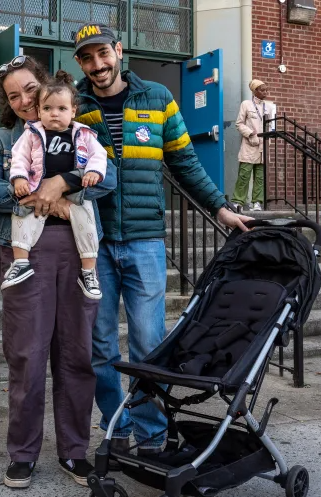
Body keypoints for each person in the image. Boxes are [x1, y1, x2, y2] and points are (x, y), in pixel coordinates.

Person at [71, 23, 254, 463]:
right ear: (80, 62)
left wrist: (220, 207)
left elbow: (186, 161)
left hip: (145, 242)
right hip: (92, 245)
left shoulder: (158, 98)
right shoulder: (74, 105)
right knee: (99, 346)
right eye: (87, 58)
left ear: (119, 50)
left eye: (103, 54)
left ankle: (152, 432)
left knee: (149, 344)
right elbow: (30, 142)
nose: (97, 65)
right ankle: (116, 425)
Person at [0, 55, 117, 489]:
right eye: (13, 96)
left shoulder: (79, 127)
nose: (23, 100)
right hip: (24, 253)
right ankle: (23, 454)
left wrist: (64, 181)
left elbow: (108, 177)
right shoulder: (0, 139)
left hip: (77, 250)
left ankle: (74, 452)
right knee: (27, 355)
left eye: (29, 89)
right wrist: (39, 194)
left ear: (46, 85)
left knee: (77, 354)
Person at [4, 70, 107, 300]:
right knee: (21, 216)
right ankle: (20, 262)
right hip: (34, 188)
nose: (54, 114)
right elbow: (19, 157)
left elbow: (99, 156)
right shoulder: (32, 134)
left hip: (75, 194)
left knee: (87, 223)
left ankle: (89, 272)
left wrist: (92, 172)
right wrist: (19, 178)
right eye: (48, 109)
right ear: (39, 111)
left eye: (61, 109)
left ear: (73, 111)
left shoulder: (83, 133)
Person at [231, 79, 275, 212]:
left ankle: (257, 202)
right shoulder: (246, 104)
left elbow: (272, 125)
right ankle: (238, 201)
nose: (265, 92)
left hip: (263, 146)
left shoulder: (269, 107)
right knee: (244, 174)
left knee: (260, 176)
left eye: (266, 89)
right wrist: (250, 134)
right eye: (262, 90)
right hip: (250, 145)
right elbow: (239, 124)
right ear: (254, 91)